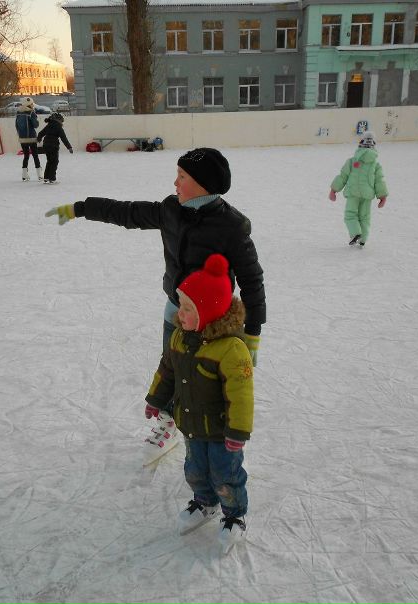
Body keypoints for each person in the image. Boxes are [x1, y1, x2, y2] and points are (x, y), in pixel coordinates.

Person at [44, 148, 265, 457]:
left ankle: (214, 442)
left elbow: (252, 281)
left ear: (202, 183)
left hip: (215, 322)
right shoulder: (171, 209)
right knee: (174, 366)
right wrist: (80, 208)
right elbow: (127, 212)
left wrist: (252, 331)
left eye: (182, 176)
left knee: (210, 382)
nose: (175, 182)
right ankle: (170, 421)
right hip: (177, 309)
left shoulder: (232, 226)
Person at [144, 254, 253, 553]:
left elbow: (242, 394)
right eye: (181, 305)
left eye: (189, 308)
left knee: (225, 475)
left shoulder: (231, 349)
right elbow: (167, 371)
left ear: (209, 311)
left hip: (221, 431)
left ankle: (235, 516)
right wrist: (155, 399)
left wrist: (238, 431)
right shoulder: (180, 338)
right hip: (191, 424)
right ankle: (205, 503)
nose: (180, 314)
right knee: (194, 469)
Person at [328, 130, 389, 247]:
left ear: (360, 144)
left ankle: (356, 233)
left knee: (350, 214)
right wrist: (382, 196)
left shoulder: (351, 161)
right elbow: (379, 181)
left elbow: (343, 176)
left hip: (353, 192)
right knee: (364, 217)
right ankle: (363, 239)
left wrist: (333, 190)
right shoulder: (376, 165)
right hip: (367, 194)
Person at [36, 112, 73, 184]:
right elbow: (64, 138)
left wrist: (39, 139)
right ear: (59, 120)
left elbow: (40, 133)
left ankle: (46, 177)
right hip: (53, 146)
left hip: (46, 145)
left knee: (49, 161)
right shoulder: (58, 127)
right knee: (54, 162)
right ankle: (52, 179)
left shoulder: (49, 125)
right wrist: (69, 147)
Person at [15, 97, 41, 181]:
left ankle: (24, 175)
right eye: (32, 104)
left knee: (26, 156)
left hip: (22, 138)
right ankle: (39, 175)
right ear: (29, 104)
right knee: (35, 155)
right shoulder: (31, 113)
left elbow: (16, 125)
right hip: (32, 138)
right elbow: (35, 125)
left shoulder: (18, 113)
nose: (33, 105)